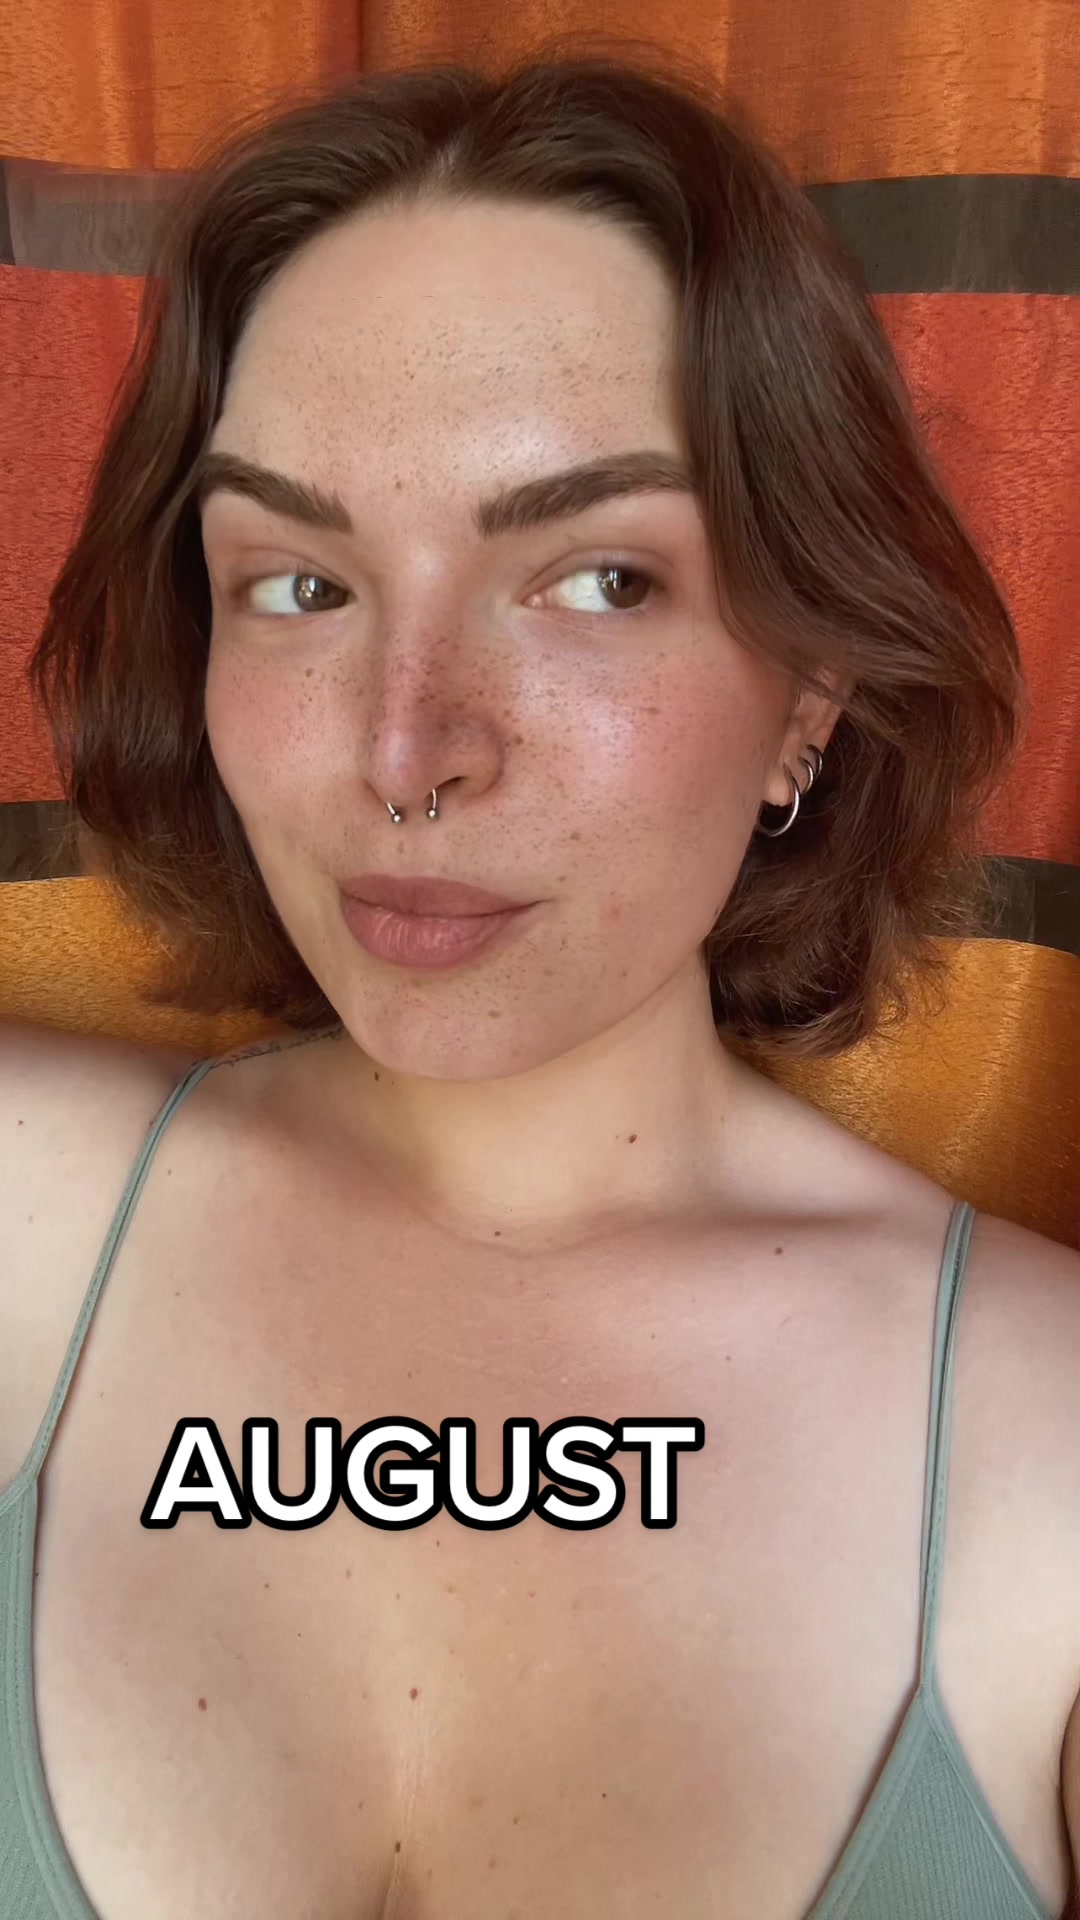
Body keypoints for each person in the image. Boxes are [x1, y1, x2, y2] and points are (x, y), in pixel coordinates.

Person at [2, 37, 1078, 1920]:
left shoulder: (1047, 1451)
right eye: (300, 585)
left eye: (598, 581)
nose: (406, 752)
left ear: (813, 686)